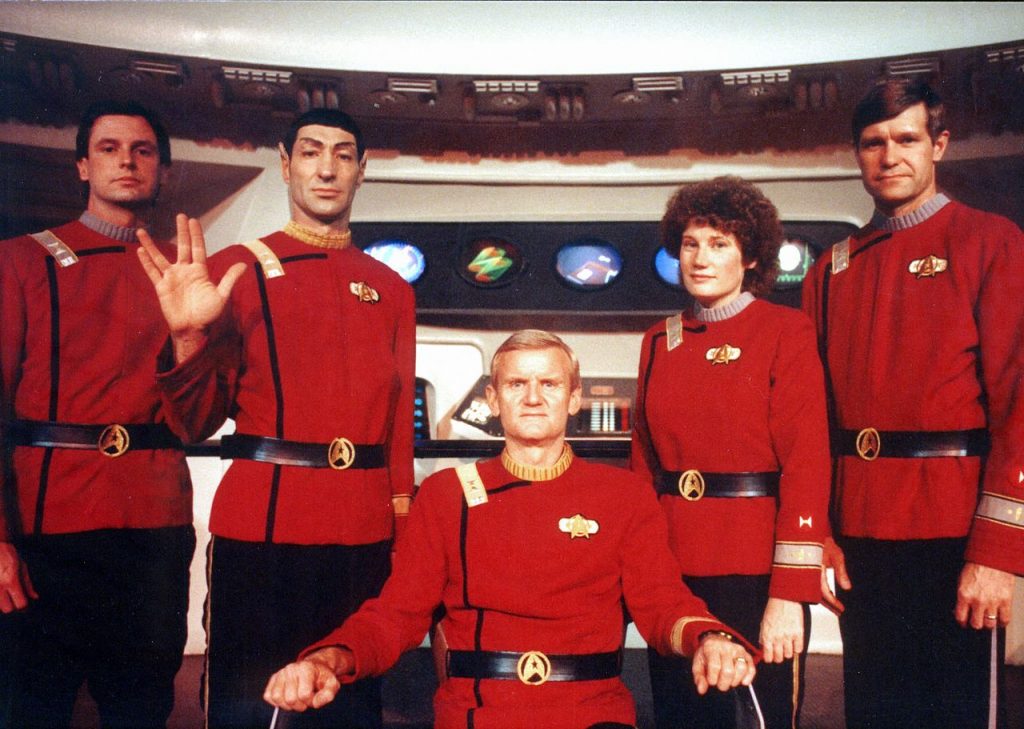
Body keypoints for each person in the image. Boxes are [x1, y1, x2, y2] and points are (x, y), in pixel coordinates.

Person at [263, 330, 758, 729]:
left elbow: (663, 604)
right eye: (517, 384)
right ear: (494, 399)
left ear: (574, 398)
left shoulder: (624, 495)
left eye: (550, 384)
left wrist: (709, 638)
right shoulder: (445, 495)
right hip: (479, 713)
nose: (534, 397)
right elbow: (396, 615)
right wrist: (327, 659)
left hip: (592, 713)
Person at [137, 108, 416, 728]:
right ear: (286, 165)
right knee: (248, 709)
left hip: (364, 534)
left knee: (351, 708)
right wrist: (186, 337)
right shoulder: (235, 268)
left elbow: (398, 431)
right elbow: (193, 424)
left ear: (362, 170)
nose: (327, 169)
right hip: (261, 530)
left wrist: (403, 529)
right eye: (311, 152)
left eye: (343, 154)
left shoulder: (391, 288)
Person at [802, 77, 1024, 729]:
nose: (890, 156)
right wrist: (820, 533)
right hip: (859, 538)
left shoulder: (991, 242)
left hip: (955, 532)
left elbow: (1019, 401)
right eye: (873, 143)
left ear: (939, 146)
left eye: (906, 139)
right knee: (873, 713)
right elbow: (811, 420)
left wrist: (997, 550)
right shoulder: (830, 268)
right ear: (857, 154)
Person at [0, 100, 195, 728]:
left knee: (142, 708)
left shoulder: (188, 270)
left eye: (142, 150)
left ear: (163, 169)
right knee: (33, 708)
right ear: (83, 166)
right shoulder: (20, 260)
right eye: (109, 148)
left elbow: (201, 419)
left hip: (155, 525)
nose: (126, 161)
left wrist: (190, 336)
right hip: (46, 524)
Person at [630, 177, 830, 729]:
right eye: (690, 243)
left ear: (751, 256)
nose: (700, 258)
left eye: (719, 244)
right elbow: (643, 467)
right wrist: (642, 570)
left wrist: (789, 594)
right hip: (673, 571)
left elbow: (807, 465)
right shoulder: (658, 341)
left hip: (756, 572)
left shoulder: (786, 331)